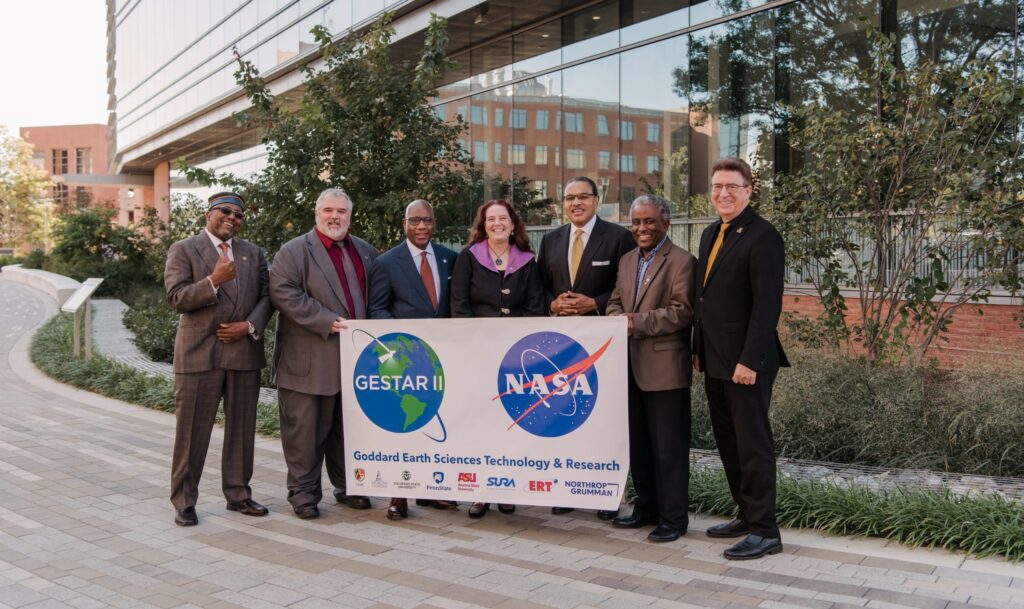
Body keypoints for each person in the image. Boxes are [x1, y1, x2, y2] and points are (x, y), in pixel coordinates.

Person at [693, 156, 789, 560]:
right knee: (728, 443)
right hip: (714, 359)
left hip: (747, 363)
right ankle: (746, 515)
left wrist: (749, 360)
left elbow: (766, 307)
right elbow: (703, 298)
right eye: (717, 186)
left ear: (749, 190)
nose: (723, 193)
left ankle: (766, 531)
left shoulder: (763, 236)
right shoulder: (710, 232)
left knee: (752, 445)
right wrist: (697, 347)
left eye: (732, 186)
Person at [164, 192, 273, 526]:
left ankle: (238, 494)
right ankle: (184, 501)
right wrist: (213, 281)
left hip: (243, 352)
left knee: (242, 431)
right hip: (199, 355)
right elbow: (177, 297)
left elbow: (269, 296)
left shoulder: (252, 253)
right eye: (225, 211)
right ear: (209, 213)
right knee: (192, 432)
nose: (232, 218)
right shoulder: (183, 249)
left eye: (238, 215)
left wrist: (250, 325)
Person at [269, 188, 378, 519]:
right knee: (305, 433)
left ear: (349, 215)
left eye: (341, 211)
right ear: (317, 214)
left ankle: (349, 486)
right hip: (309, 362)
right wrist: (327, 320)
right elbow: (282, 292)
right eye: (329, 210)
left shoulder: (366, 251)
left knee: (347, 432)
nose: (335, 216)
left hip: (355, 362)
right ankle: (303, 493)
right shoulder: (294, 252)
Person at [537, 176, 635, 520]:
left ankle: (608, 494)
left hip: (603, 348)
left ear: (597, 200)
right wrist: (552, 306)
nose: (575, 203)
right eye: (569, 198)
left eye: (583, 197)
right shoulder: (550, 240)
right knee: (566, 417)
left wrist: (594, 302)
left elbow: (629, 288)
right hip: (561, 347)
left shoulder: (620, 238)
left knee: (604, 419)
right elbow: (541, 289)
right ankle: (568, 489)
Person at [606, 195, 696, 543]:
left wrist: (633, 323)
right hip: (627, 365)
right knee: (639, 444)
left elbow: (681, 311)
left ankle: (674, 518)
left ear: (665, 223)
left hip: (664, 369)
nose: (642, 228)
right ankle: (646, 508)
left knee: (668, 448)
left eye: (649, 222)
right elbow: (615, 299)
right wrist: (616, 317)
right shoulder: (628, 260)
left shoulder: (683, 261)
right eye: (636, 222)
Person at [450, 199, 544, 519]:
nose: (497, 224)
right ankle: (480, 491)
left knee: (511, 425)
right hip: (478, 356)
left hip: (515, 360)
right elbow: (459, 305)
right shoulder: (468, 258)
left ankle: (507, 488)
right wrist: (474, 344)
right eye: (490, 219)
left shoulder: (528, 261)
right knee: (480, 423)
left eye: (502, 218)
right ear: (483, 225)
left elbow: (534, 307)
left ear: (513, 224)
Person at [368, 198, 460, 520]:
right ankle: (399, 494)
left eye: (428, 220)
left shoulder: (451, 258)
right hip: (406, 361)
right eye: (415, 220)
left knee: (438, 424)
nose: (422, 226)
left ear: (435, 224)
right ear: (404, 224)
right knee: (405, 425)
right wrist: (401, 343)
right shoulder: (386, 262)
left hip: (443, 360)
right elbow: (377, 308)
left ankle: (432, 492)